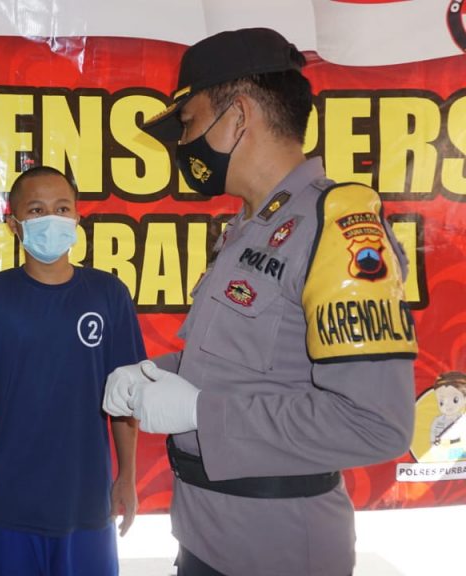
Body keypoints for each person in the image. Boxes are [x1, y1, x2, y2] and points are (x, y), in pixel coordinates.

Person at [101, 28, 417, 575]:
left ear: (238, 116)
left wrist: (199, 411)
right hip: (203, 536)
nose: (183, 144)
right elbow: (246, 363)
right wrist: (156, 372)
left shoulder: (334, 229)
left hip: (277, 550)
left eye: (188, 123)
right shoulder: (251, 227)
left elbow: (373, 424)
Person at [0, 166, 145, 575]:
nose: (51, 219)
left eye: (62, 208)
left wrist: (127, 476)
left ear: (77, 218)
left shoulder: (109, 294)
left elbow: (126, 394)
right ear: (14, 223)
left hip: (87, 503)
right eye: (36, 210)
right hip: (12, 504)